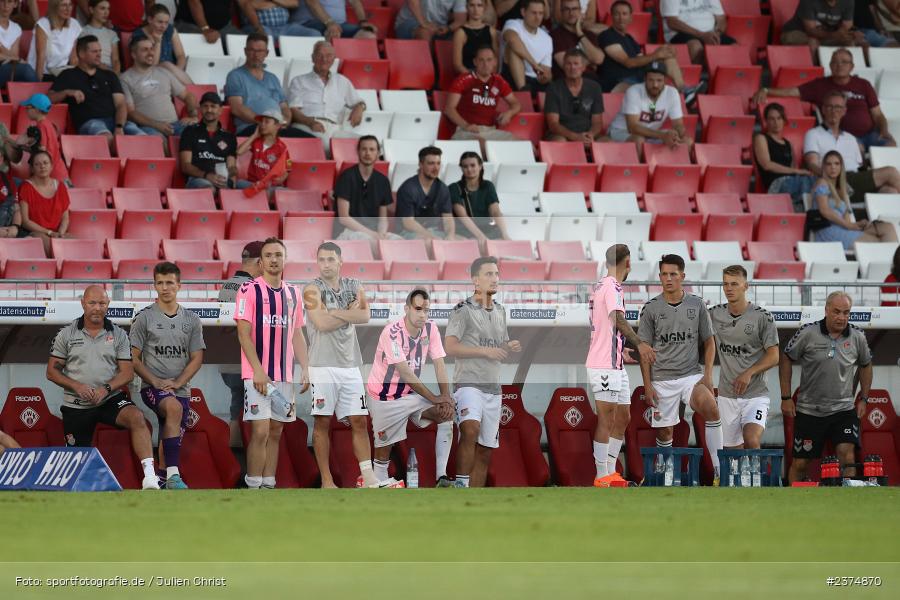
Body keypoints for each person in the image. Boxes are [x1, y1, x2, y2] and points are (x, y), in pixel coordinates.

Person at [46, 285, 160, 490]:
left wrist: (105, 389)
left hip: (109, 398)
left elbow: (127, 372)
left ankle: (150, 478)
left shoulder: (119, 334)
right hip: (77, 404)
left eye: (102, 303)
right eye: (92, 303)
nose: (97, 308)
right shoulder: (66, 334)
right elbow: (52, 372)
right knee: (76, 459)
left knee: (137, 417)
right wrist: (77, 386)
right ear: (83, 304)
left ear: (108, 304)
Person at [638, 254, 723, 484]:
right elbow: (643, 350)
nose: (668, 278)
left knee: (712, 409)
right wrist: (647, 385)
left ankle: (718, 471)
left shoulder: (697, 304)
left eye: (673, 274)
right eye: (664, 274)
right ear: (659, 277)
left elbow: (709, 341)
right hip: (661, 379)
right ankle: (662, 474)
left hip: (690, 376)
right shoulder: (651, 308)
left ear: (682, 276)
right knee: (665, 433)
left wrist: (707, 375)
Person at [234, 237, 310, 489]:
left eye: (278, 254)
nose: (273, 259)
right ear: (261, 261)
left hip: (284, 374)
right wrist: (257, 370)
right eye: (268, 255)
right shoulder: (248, 290)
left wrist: (306, 368)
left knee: (277, 430)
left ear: (285, 259)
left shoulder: (293, 293)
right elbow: (243, 333)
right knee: (261, 431)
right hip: (257, 374)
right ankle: (253, 484)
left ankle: (269, 483)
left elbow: (297, 333)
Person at [303, 242, 379, 488]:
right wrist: (347, 312)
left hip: (350, 364)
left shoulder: (354, 285)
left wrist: (332, 312)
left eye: (330, 259)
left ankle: (368, 477)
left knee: (359, 420)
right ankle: (327, 481)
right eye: (321, 259)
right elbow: (320, 324)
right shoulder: (312, 289)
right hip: (322, 364)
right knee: (323, 422)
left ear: (340, 261)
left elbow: (365, 316)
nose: (326, 264)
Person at [780, 291, 873, 483]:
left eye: (846, 313)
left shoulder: (858, 336)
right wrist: (786, 397)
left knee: (846, 456)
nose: (841, 317)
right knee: (800, 463)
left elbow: (866, 364)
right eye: (837, 312)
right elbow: (786, 357)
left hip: (844, 410)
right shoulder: (807, 332)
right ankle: (792, 504)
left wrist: (864, 398)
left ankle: (846, 504)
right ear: (826, 310)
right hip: (809, 410)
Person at [445, 257, 520, 487]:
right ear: (475, 281)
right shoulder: (462, 310)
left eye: (496, 274)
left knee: (486, 448)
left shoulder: (500, 311)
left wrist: (508, 347)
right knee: (470, 430)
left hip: (493, 388)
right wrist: (485, 352)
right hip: (468, 384)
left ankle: (475, 500)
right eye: (488, 274)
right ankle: (461, 486)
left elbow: (498, 348)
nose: (494, 279)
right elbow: (450, 347)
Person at [366, 288, 454, 488]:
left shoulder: (431, 329)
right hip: (384, 397)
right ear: (407, 309)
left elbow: (440, 364)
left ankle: (442, 477)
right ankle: (375, 490)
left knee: (446, 413)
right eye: (418, 309)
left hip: (410, 394)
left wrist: (446, 397)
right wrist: (434, 397)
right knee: (382, 456)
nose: (423, 314)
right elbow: (405, 373)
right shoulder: (392, 332)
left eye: (426, 310)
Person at [130, 262, 206, 490]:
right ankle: (174, 475)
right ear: (154, 285)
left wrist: (178, 383)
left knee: (170, 433)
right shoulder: (144, 318)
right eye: (160, 283)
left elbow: (197, 358)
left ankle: (163, 480)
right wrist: (155, 381)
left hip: (180, 388)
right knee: (173, 409)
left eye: (169, 283)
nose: (165, 288)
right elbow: (133, 358)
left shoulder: (191, 320)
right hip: (151, 387)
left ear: (179, 285)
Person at [588, 245, 656, 486]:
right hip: (603, 364)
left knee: (624, 416)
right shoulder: (611, 286)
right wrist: (640, 344)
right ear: (628, 263)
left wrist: (621, 349)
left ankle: (610, 470)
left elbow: (606, 325)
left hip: (614, 362)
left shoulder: (602, 285)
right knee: (606, 418)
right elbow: (617, 318)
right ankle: (601, 475)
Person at [754, 48, 897, 149]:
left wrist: (884, 131)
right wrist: (767, 89)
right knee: (856, 150)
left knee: (891, 145)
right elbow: (793, 91)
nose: (839, 65)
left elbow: (877, 114)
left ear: (852, 66)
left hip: (870, 134)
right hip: (843, 137)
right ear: (830, 66)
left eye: (844, 62)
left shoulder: (863, 84)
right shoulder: (820, 85)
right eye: (835, 62)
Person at [708, 265, 779, 451]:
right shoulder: (715, 314)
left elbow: (774, 356)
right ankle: (737, 481)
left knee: (752, 440)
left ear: (746, 286)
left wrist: (749, 373)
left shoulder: (762, 317)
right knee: (732, 451)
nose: (729, 288)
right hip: (727, 395)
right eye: (725, 284)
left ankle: (755, 480)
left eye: (734, 284)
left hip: (755, 394)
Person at [49, 35, 146, 151]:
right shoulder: (68, 75)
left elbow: (121, 104)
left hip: (115, 121)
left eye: (100, 51)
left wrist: (119, 126)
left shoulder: (109, 75)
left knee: (143, 139)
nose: (99, 54)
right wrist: (66, 92)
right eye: (94, 51)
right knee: (106, 137)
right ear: (81, 54)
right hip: (90, 123)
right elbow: (48, 98)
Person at [802, 90, 900, 203]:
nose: (834, 111)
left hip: (855, 182)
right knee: (890, 173)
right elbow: (812, 164)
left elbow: (859, 167)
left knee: (889, 191)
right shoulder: (813, 134)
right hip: (835, 181)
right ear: (823, 109)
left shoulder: (851, 138)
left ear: (844, 111)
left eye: (838, 107)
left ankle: (877, 220)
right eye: (830, 107)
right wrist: (834, 178)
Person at [597, 0, 694, 99]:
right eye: (617, 14)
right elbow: (628, 62)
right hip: (618, 83)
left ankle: (683, 90)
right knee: (648, 89)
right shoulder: (607, 36)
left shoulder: (629, 39)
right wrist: (656, 55)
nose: (621, 18)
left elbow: (641, 61)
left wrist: (665, 54)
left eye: (624, 14)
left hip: (637, 78)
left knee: (667, 58)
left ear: (630, 18)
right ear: (612, 17)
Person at [217, 240, 264, 446]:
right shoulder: (251, 287)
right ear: (260, 262)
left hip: (228, 360)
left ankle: (235, 457)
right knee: (253, 413)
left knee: (236, 409)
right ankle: (246, 460)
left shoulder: (228, 285)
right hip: (244, 360)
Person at [225, 32, 309, 137]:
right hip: (251, 128)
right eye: (251, 50)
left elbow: (284, 107)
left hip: (276, 128)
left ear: (267, 53)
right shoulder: (235, 75)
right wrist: (264, 123)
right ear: (245, 51)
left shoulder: (273, 78)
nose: (255, 55)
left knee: (313, 141)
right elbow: (237, 108)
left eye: (260, 51)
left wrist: (285, 121)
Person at [287, 41, 365, 152]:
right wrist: (310, 122)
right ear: (313, 58)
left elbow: (358, 102)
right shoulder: (299, 81)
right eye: (320, 55)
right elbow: (293, 110)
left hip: (335, 129)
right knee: (326, 145)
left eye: (329, 56)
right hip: (308, 125)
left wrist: (359, 107)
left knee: (365, 144)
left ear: (334, 59)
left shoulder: (342, 81)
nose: (324, 59)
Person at [811, 150, 897, 248]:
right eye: (829, 164)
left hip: (844, 229)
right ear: (824, 167)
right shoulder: (822, 182)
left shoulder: (842, 189)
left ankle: (893, 261)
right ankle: (892, 261)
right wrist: (849, 226)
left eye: (836, 164)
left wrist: (858, 224)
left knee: (887, 227)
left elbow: (848, 221)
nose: (833, 167)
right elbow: (824, 210)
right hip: (828, 230)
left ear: (841, 167)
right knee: (877, 241)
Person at [121, 37, 199, 139]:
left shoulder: (163, 72)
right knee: (158, 140)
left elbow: (188, 96)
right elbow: (130, 113)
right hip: (148, 127)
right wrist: (156, 125)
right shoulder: (125, 78)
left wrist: (192, 115)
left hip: (175, 125)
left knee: (197, 134)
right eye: (145, 50)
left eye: (151, 49)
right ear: (134, 55)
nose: (150, 53)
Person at [606, 62, 691, 155]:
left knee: (687, 141)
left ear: (665, 80)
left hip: (651, 135)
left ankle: (674, 169)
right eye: (651, 80)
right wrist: (662, 136)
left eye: (659, 80)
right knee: (639, 140)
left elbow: (678, 124)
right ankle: (640, 169)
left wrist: (677, 134)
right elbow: (632, 127)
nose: (655, 85)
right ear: (645, 79)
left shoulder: (672, 93)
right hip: (621, 131)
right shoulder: (634, 91)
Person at [445, 45, 520, 149]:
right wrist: (466, 125)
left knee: (525, 146)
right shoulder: (464, 79)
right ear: (475, 62)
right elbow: (449, 109)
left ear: (495, 62)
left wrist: (510, 113)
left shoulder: (499, 81)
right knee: (482, 145)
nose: (485, 64)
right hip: (465, 131)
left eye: (489, 60)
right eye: (481, 60)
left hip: (490, 131)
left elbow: (516, 104)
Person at [333, 135, 401, 245]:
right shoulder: (347, 177)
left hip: (373, 232)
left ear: (378, 153)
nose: (367, 153)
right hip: (348, 231)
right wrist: (373, 235)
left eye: (372, 149)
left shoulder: (383, 181)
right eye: (364, 149)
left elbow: (383, 219)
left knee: (399, 242)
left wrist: (381, 235)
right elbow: (344, 218)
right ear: (358, 152)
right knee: (370, 243)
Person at [753, 103, 814, 205]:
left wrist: (800, 172)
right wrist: (796, 171)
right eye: (771, 119)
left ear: (784, 120)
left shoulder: (788, 144)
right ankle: (809, 213)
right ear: (766, 121)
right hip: (776, 185)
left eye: (779, 118)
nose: (776, 122)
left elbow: (794, 168)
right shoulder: (761, 138)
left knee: (818, 182)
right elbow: (766, 165)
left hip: (792, 182)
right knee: (805, 183)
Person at [179, 92, 240, 191]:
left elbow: (231, 166)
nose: (209, 110)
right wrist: (207, 175)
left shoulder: (229, 137)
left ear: (220, 110)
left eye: (213, 106)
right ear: (200, 109)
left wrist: (229, 173)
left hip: (221, 180)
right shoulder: (190, 131)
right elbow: (185, 166)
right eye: (205, 106)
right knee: (209, 188)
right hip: (198, 179)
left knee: (233, 192)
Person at [450, 151, 511, 245]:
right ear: (461, 168)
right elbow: (463, 216)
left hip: (486, 229)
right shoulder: (454, 188)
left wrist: (505, 235)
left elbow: (495, 212)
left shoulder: (488, 185)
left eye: (473, 165)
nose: (469, 169)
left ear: (480, 166)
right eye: (465, 166)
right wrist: (481, 237)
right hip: (464, 231)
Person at [396, 145, 456, 241]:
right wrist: (432, 237)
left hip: (434, 232)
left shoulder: (442, 188)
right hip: (409, 233)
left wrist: (450, 235)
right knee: (428, 242)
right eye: (431, 163)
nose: (436, 168)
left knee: (463, 241)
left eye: (438, 163)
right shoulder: (408, 188)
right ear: (421, 164)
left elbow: (448, 218)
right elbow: (408, 223)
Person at [544, 48, 604, 144]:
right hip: (562, 134)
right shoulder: (553, 88)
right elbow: (553, 124)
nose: (572, 68)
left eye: (576, 64)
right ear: (563, 66)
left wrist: (590, 135)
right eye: (568, 64)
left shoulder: (594, 87)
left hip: (586, 133)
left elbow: (597, 122)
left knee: (607, 141)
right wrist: (575, 137)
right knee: (560, 141)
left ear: (583, 67)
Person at [18, 150, 70, 254]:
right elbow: (25, 221)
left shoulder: (61, 186)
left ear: (51, 166)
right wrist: (49, 233)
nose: (42, 166)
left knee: (78, 243)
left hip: (56, 233)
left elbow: (65, 218)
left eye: (45, 163)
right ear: (32, 169)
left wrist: (60, 233)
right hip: (35, 232)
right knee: (51, 247)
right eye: (37, 164)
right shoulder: (26, 187)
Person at [131, 4, 193, 87]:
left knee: (168, 66)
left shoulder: (170, 30)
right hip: (148, 73)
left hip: (173, 73)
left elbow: (180, 55)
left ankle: (196, 92)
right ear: (150, 19)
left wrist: (177, 71)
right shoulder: (139, 36)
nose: (163, 26)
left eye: (166, 22)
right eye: (160, 22)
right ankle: (197, 91)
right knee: (166, 64)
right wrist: (158, 42)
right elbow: (152, 65)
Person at [236, 109, 291, 196]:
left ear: (277, 126)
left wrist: (282, 178)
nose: (262, 125)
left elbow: (288, 168)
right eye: (261, 122)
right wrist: (254, 136)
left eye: (267, 122)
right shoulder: (256, 142)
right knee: (239, 183)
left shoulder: (282, 147)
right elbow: (239, 152)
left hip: (270, 186)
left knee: (287, 192)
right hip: (252, 183)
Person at [660, 0, 735, 63]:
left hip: (710, 33)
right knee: (695, 46)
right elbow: (672, 22)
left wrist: (716, 35)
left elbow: (721, 19)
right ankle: (700, 78)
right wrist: (702, 35)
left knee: (735, 48)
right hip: (681, 33)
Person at [501, 0, 552, 91]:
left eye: (540, 13)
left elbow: (546, 69)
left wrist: (545, 77)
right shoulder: (513, 23)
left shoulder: (547, 38)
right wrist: (534, 64)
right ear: (523, 12)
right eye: (534, 13)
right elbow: (513, 41)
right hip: (511, 78)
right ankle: (523, 91)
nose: (537, 17)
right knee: (513, 49)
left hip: (535, 81)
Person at [550, 0, 605, 80]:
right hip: (567, 83)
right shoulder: (555, 35)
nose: (571, 13)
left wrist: (580, 33)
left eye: (574, 9)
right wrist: (590, 60)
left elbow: (599, 59)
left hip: (591, 82)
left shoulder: (589, 34)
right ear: (561, 12)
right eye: (567, 9)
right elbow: (567, 66)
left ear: (580, 11)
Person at [28, 0, 81, 82]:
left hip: (61, 72)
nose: (68, 9)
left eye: (70, 5)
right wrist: (38, 83)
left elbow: (73, 59)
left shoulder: (74, 25)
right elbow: (40, 58)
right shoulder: (43, 24)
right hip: (43, 73)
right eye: (63, 5)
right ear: (54, 7)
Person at [780, 0, 864, 51]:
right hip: (795, 32)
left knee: (850, 42)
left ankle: (849, 77)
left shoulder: (848, 1)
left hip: (826, 35)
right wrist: (835, 35)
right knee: (813, 42)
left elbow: (847, 25)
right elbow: (811, 30)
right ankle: (816, 74)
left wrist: (850, 34)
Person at [21, 93, 68, 181]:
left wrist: (22, 146)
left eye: (28, 108)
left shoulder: (41, 126)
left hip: (54, 177)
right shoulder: (48, 123)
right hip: (61, 173)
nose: (26, 110)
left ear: (37, 110)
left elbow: (42, 150)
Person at [290, 0, 379, 40]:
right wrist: (329, 23)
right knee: (331, 33)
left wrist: (363, 21)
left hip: (339, 25)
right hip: (309, 23)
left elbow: (355, 1)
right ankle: (332, 68)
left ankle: (351, 70)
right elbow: (312, 2)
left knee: (368, 36)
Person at [453, 0, 498, 74]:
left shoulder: (491, 31)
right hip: (467, 76)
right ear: (467, 7)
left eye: (479, 5)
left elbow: (495, 60)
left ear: (485, 7)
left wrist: (489, 77)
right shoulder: (460, 33)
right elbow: (458, 65)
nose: (476, 10)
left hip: (488, 75)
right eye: (472, 5)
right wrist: (474, 78)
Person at [0, 0, 38, 86]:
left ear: (15, 4)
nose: (6, 5)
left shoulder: (16, 28)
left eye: (9, 1)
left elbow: (15, 56)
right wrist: (14, 58)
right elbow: (15, 58)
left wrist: (2, 50)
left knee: (24, 73)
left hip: (9, 69)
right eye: (2, 1)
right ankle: (42, 96)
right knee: (26, 70)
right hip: (5, 69)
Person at [238, 0, 320, 38]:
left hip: (285, 27)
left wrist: (263, 2)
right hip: (260, 27)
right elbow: (246, 5)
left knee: (314, 34)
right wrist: (257, 27)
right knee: (264, 37)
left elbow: (294, 3)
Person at [394, 0, 466, 42]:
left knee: (460, 36)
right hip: (410, 22)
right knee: (425, 32)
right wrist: (424, 23)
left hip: (439, 27)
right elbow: (413, 2)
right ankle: (428, 67)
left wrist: (448, 28)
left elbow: (460, 19)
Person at [80, 0, 120, 73]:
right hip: (90, 70)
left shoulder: (112, 34)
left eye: (108, 9)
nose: (106, 12)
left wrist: (115, 75)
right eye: (102, 8)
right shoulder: (82, 32)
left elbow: (115, 60)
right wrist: (100, 66)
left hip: (110, 72)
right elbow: (83, 57)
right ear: (91, 10)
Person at [176, 0, 244, 41]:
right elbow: (194, 2)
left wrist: (255, 27)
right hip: (191, 25)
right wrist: (205, 28)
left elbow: (244, 2)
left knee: (245, 45)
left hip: (224, 26)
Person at [0, 149, 20, 239]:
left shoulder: (8, 180)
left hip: (7, 233)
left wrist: (15, 227)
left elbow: (16, 209)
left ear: (1, 160)